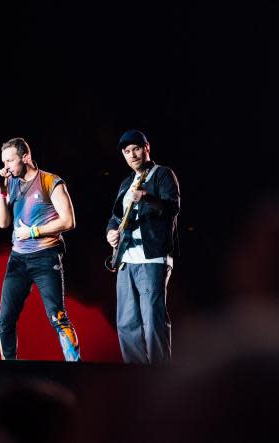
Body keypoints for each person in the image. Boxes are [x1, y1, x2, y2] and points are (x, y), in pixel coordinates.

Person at [0, 137, 80, 361]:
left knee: (57, 317)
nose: (6, 167)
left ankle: (75, 365)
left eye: (10, 161)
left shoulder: (51, 181)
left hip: (45, 255)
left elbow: (68, 222)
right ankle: (8, 368)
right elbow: (2, 223)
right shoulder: (10, 183)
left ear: (26, 157)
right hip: (18, 259)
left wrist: (33, 232)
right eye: (4, 162)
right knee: (5, 319)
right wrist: (2, 192)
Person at [106, 129, 180, 364]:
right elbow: (115, 217)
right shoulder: (126, 182)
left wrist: (147, 197)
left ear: (146, 148)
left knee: (152, 320)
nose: (132, 154)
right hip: (126, 258)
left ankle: (158, 376)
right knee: (126, 322)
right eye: (127, 152)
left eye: (136, 149)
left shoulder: (163, 174)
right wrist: (110, 233)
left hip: (152, 258)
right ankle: (135, 377)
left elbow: (172, 207)